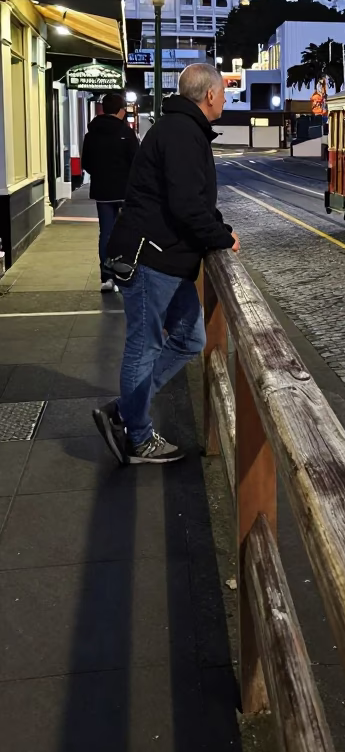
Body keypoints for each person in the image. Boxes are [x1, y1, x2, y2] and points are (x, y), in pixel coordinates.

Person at [93, 63, 239, 466]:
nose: (225, 98)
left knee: (191, 339)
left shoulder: (181, 129)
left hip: (166, 259)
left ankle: (125, 410)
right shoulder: (181, 133)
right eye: (223, 91)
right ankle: (137, 438)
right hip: (150, 258)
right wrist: (222, 237)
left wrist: (218, 227)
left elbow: (193, 199)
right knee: (145, 345)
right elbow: (186, 204)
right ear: (209, 95)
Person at [81, 91, 139, 291]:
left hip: (102, 191)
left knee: (105, 232)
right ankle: (124, 273)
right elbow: (136, 161)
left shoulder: (91, 134)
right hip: (125, 191)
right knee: (127, 232)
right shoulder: (126, 133)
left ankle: (107, 277)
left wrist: (101, 175)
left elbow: (86, 163)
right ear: (121, 111)